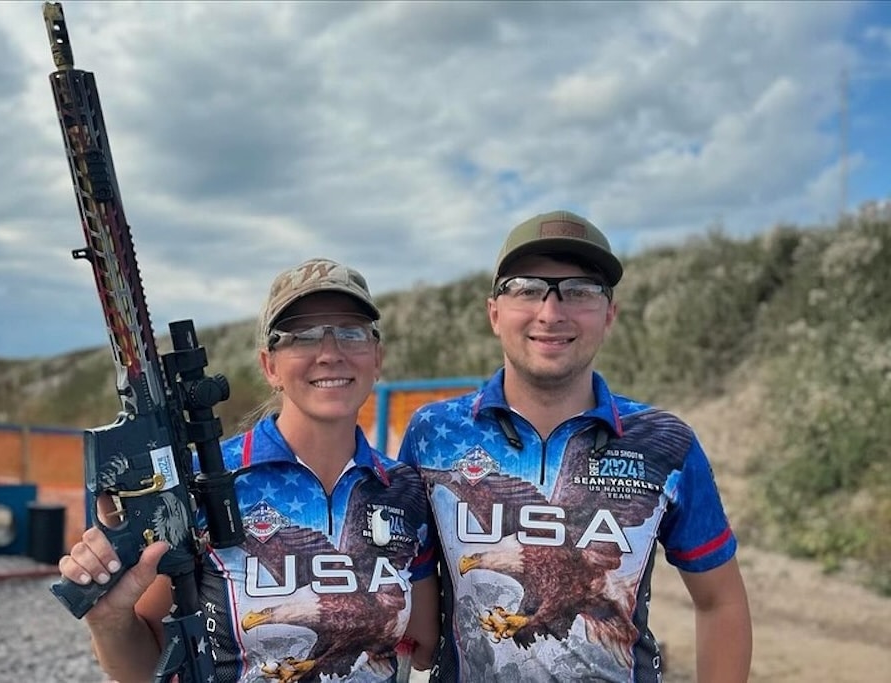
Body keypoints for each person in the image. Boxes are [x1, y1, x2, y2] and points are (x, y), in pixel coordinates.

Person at [398, 211, 752, 682]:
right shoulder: (432, 435)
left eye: (580, 291)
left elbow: (721, 602)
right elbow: (399, 606)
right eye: (527, 288)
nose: (551, 312)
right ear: (494, 313)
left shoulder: (663, 442)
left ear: (609, 315)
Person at [59, 257, 439, 683]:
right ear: (269, 365)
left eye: (351, 333)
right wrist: (109, 620)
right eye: (302, 337)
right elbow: (145, 667)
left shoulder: (403, 488)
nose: (330, 353)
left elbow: (424, 646)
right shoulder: (205, 482)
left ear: (377, 357)